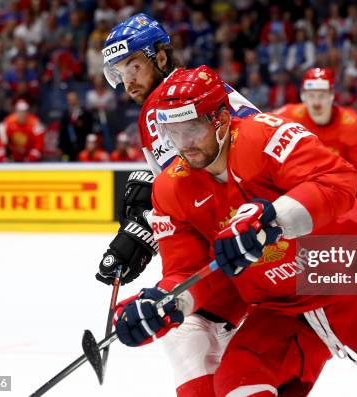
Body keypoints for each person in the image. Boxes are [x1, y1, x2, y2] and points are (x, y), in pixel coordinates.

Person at [113, 66, 357, 397]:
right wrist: (167, 303)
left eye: (192, 127)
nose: (183, 144)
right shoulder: (170, 188)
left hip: (353, 275)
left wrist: (273, 218)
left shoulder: (265, 136)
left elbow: (338, 179)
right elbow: (191, 271)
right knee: (239, 381)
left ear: (221, 120)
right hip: (282, 305)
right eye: (171, 131)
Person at [96, 13, 259, 396]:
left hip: (242, 247)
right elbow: (189, 182)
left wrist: (147, 226)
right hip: (246, 237)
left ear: (161, 58)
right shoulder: (195, 90)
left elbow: (199, 188)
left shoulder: (164, 107)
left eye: (133, 65)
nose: (127, 80)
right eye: (119, 72)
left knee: (185, 331)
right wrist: (148, 209)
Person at [274, 68, 357, 211]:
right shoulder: (286, 118)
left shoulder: (353, 124)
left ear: (331, 95)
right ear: (303, 96)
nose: (316, 103)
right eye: (311, 96)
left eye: (322, 95)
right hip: (296, 198)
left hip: (339, 199)